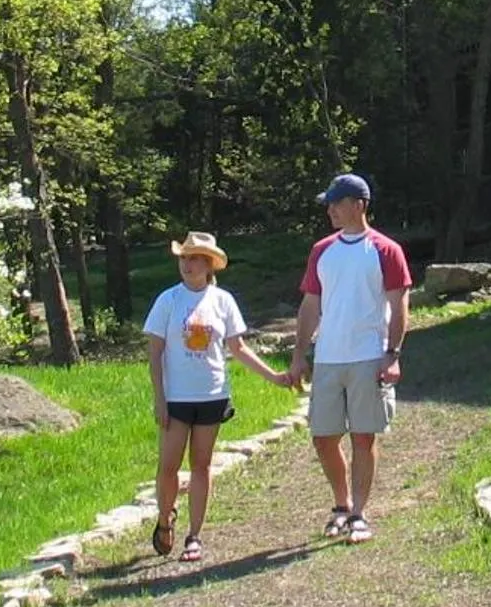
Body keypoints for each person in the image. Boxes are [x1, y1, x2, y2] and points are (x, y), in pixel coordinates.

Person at [145, 231, 291, 564]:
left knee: (201, 464)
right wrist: (160, 398)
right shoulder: (168, 300)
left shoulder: (222, 301)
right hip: (176, 396)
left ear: (209, 264)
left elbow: (237, 348)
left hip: (211, 393)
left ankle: (194, 536)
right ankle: (165, 517)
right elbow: (155, 352)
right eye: (183, 257)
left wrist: (273, 376)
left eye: (194, 258)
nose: (187, 264)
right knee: (168, 465)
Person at [288, 173, 411, 545]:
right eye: (329, 203)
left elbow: (399, 303)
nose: (330, 210)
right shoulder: (322, 250)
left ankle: (358, 512)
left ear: (359, 205)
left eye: (336, 203)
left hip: (368, 355)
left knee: (363, 436)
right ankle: (340, 505)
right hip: (328, 358)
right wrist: (299, 355)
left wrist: (392, 354)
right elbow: (311, 305)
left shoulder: (386, 249)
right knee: (323, 437)